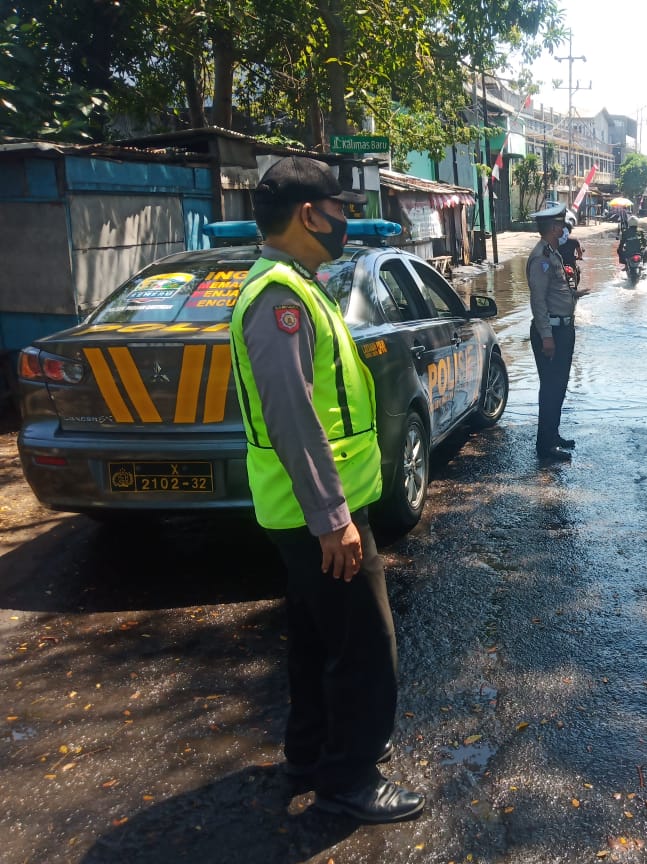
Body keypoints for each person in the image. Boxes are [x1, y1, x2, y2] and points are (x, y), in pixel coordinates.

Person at [229, 156, 424, 823]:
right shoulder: (278, 299)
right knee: (367, 646)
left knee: (316, 641)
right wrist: (333, 517)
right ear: (310, 215)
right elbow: (292, 412)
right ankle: (350, 780)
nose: (346, 219)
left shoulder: (294, 285)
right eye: (338, 208)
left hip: (310, 508)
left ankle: (311, 753)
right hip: (320, 512)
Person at [528, 203, 590, 461]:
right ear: (553, 227)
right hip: (551, 332)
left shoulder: (552, 253)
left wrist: (573, 295)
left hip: (561, 329)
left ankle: (552, 435)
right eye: (561, 223)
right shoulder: (541, 257)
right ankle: (545, 447)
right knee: (551, 389)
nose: (564, 227)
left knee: (559, 387)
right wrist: (547, 337)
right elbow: (538, 301)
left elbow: (555, 292)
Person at [557, 210, 584, 288]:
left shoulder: (555, 240)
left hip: (558, 264)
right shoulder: (574, 240)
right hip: (571, 263)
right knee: (577, 271)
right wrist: (579, 257)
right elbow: (579, 253)